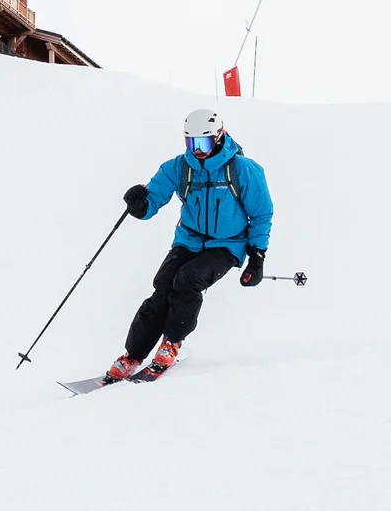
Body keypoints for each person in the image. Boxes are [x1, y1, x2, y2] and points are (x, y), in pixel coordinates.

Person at [105, 107, 274, 380]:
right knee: (162, 286)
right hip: (189, 239)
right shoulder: (178, 168)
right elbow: (152, 202)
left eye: (203, 143)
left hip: (227, 245)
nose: (196, 150)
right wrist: (138, 204)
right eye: (190, 142)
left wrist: (257, 257)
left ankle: (171, 343)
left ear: (218, 137)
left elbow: (261, 214)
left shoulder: (244, 169)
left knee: (188, 279)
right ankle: (132, 355)